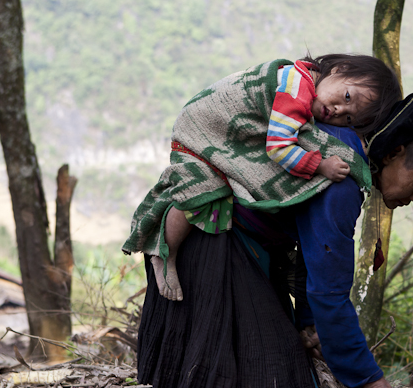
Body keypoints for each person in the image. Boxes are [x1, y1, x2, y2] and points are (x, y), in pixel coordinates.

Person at [126, 80, 413, 388]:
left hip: (243, 246)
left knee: (279, 371)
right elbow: (329, 292)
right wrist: (371, 381)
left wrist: (307, 323)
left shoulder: (341, 150)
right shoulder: (342, 182)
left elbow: (308, 252)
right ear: (396, 152)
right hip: (213, 239)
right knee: (278, 386)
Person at [146, 54, 399, 302]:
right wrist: (320, 165)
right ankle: (165, 253)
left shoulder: (307, 80)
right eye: (346, 97)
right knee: (202, 190)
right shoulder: (295, 93)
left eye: (348, 118)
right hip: (202, 128)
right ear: (338, 69)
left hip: (219, 125)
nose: (337, 111)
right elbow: (279, 148)